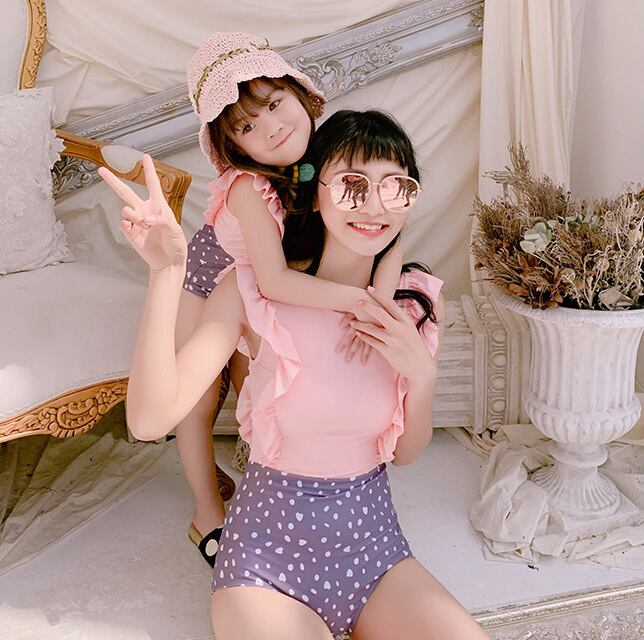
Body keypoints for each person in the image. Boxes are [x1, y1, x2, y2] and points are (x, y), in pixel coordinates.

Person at [99, 108, 488, 640]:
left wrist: (421, 378)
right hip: (266, 567)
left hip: (376, 555)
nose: (374, 205)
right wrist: (166, 273)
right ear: (314, 193)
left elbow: (405, 453)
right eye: (352, 185)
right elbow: (147, 421)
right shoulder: (252, 292)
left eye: (396, 186)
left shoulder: (412, 301)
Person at [175, 32, 403, 566]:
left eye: (275, 104)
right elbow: (274, 281)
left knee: (262, 379)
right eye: (247, 127)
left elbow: (391, 232)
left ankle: (268, 477)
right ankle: (205, 512)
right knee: (196, 399)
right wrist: (357, 301)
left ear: (300, 95)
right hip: (211, 279)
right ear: (235, 148)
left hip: (261, 283)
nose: (271, 127)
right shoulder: (247, 188)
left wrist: (382, 301)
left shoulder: (325, 155)